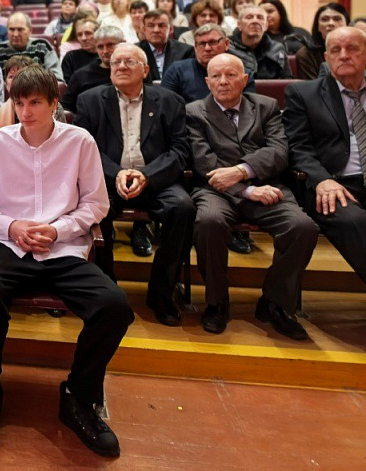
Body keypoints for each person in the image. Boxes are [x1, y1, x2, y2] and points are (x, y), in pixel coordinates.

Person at [0, 67, 133, 456]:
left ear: (55, 103)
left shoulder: (80, 141)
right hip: (11, 245)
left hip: (64, 248)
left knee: (114, 307)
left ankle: (78, 397)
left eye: (35, 103)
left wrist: (58, 230)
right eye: (19, 103)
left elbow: (96, 204)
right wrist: (11, 225)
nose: (25, 112)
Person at [186, 53, 318, 338]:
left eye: (231, 75)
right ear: (207, 82)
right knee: (208, 222)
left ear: (245, 79)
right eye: (216, 76)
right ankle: (217, 302)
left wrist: (241, 171)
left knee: (302, 227)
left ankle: (274, 302)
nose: (223, 81)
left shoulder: (266, 106)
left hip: (266, 186)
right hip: (215, 190)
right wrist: (246, 190)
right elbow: (204, 162)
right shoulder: (194, 112)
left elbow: (279, 151)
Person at [74, 44, 194, 325]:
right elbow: (83, 147)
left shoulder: (170, 101)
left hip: (156, 179)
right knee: (95, 209)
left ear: (146, 70)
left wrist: (147, 175)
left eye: (129, 61)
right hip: (107, 179)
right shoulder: (90, 100)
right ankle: (107, 291)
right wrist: (116, 173)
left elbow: (180, 151)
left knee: (184, 208)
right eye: (116, 62)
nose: (121, 66)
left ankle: (162, 293)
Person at [283, 27, 366, 288]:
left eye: (352, 48)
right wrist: (321, 180)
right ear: (326, 58)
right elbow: (298, 147)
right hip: (333, 183)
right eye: (335, 50)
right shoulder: (303, 94)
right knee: (354, 221)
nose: (344, 55)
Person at [162, 24, 257, 103]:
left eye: (213, 42)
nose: (207, 48)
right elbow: (166, 105)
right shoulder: (177, 70)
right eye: (202, 44)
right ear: (195, 47)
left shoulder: (241, 71)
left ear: (227, 44)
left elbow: (249, 108)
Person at [61, 26, 126, 113]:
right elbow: (65, 108)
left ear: (123, 44)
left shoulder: (134, 70)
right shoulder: (81, 75)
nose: (105, 51)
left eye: (110, 45)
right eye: (100, 47)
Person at [0, 13, 62, 79]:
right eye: (11, 29)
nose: (15, 34)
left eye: (20, 29)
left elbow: (57, 78)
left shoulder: (42, 46)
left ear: (30, 31)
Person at [228, 6, 292, 79]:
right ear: (239, 25)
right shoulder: (228, 46)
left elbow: (287, 79)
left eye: (260, 17)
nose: (255, 21)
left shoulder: (277, 48)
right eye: (249, 17)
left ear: (266, 26)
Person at [295, 3, 349, 80]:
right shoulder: (305, 54)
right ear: (318, 27)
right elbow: (312, 86)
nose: (331, 23)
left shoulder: (358, 50)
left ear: (347, 24)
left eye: (337, 19)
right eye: (325, 19)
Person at [138, 10, 194, 81]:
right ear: (144, 30)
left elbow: (188, 80)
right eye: (151, 26)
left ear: (170, 29)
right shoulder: (135, 52)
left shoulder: (185, 51)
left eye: (161, 25)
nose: (156, 30)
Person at [60, 17, 99, 83]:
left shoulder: (106, 56)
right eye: (79, 35)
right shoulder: (71, 57)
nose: (83, 38)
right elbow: (66, 84)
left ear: (98, 34)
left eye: (88, 33)